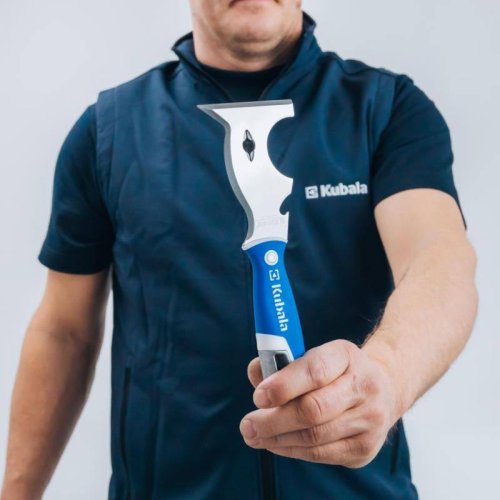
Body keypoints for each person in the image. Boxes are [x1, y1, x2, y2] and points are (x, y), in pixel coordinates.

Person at [1, 1, 478, 499]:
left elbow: (438, 257)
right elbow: (64, 331)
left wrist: (389, 374)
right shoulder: (110, 130)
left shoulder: (385, 109)